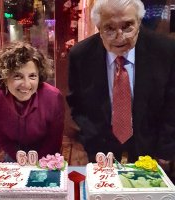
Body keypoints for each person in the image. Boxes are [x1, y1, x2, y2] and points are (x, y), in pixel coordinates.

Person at [66, 0, 175, 165]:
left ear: (139, 22)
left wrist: (165, 149)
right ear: (98, 28)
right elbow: (77, 104)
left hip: (152, 146)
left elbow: (172, 103)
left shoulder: (165, 51)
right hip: (101, 149)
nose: (120, 36)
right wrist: (90, 140)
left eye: (128, 26)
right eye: (109, 28)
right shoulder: (81, 55)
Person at [0, 41, 65, 162]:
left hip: (47, 153)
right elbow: (3, 140)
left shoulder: (54, 98)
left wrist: (37, 163)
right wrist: (21, 159)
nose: (26, 84)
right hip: (15, 153)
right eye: (17, 76)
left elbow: (53, 140)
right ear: (4, 78)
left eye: (32, 76)